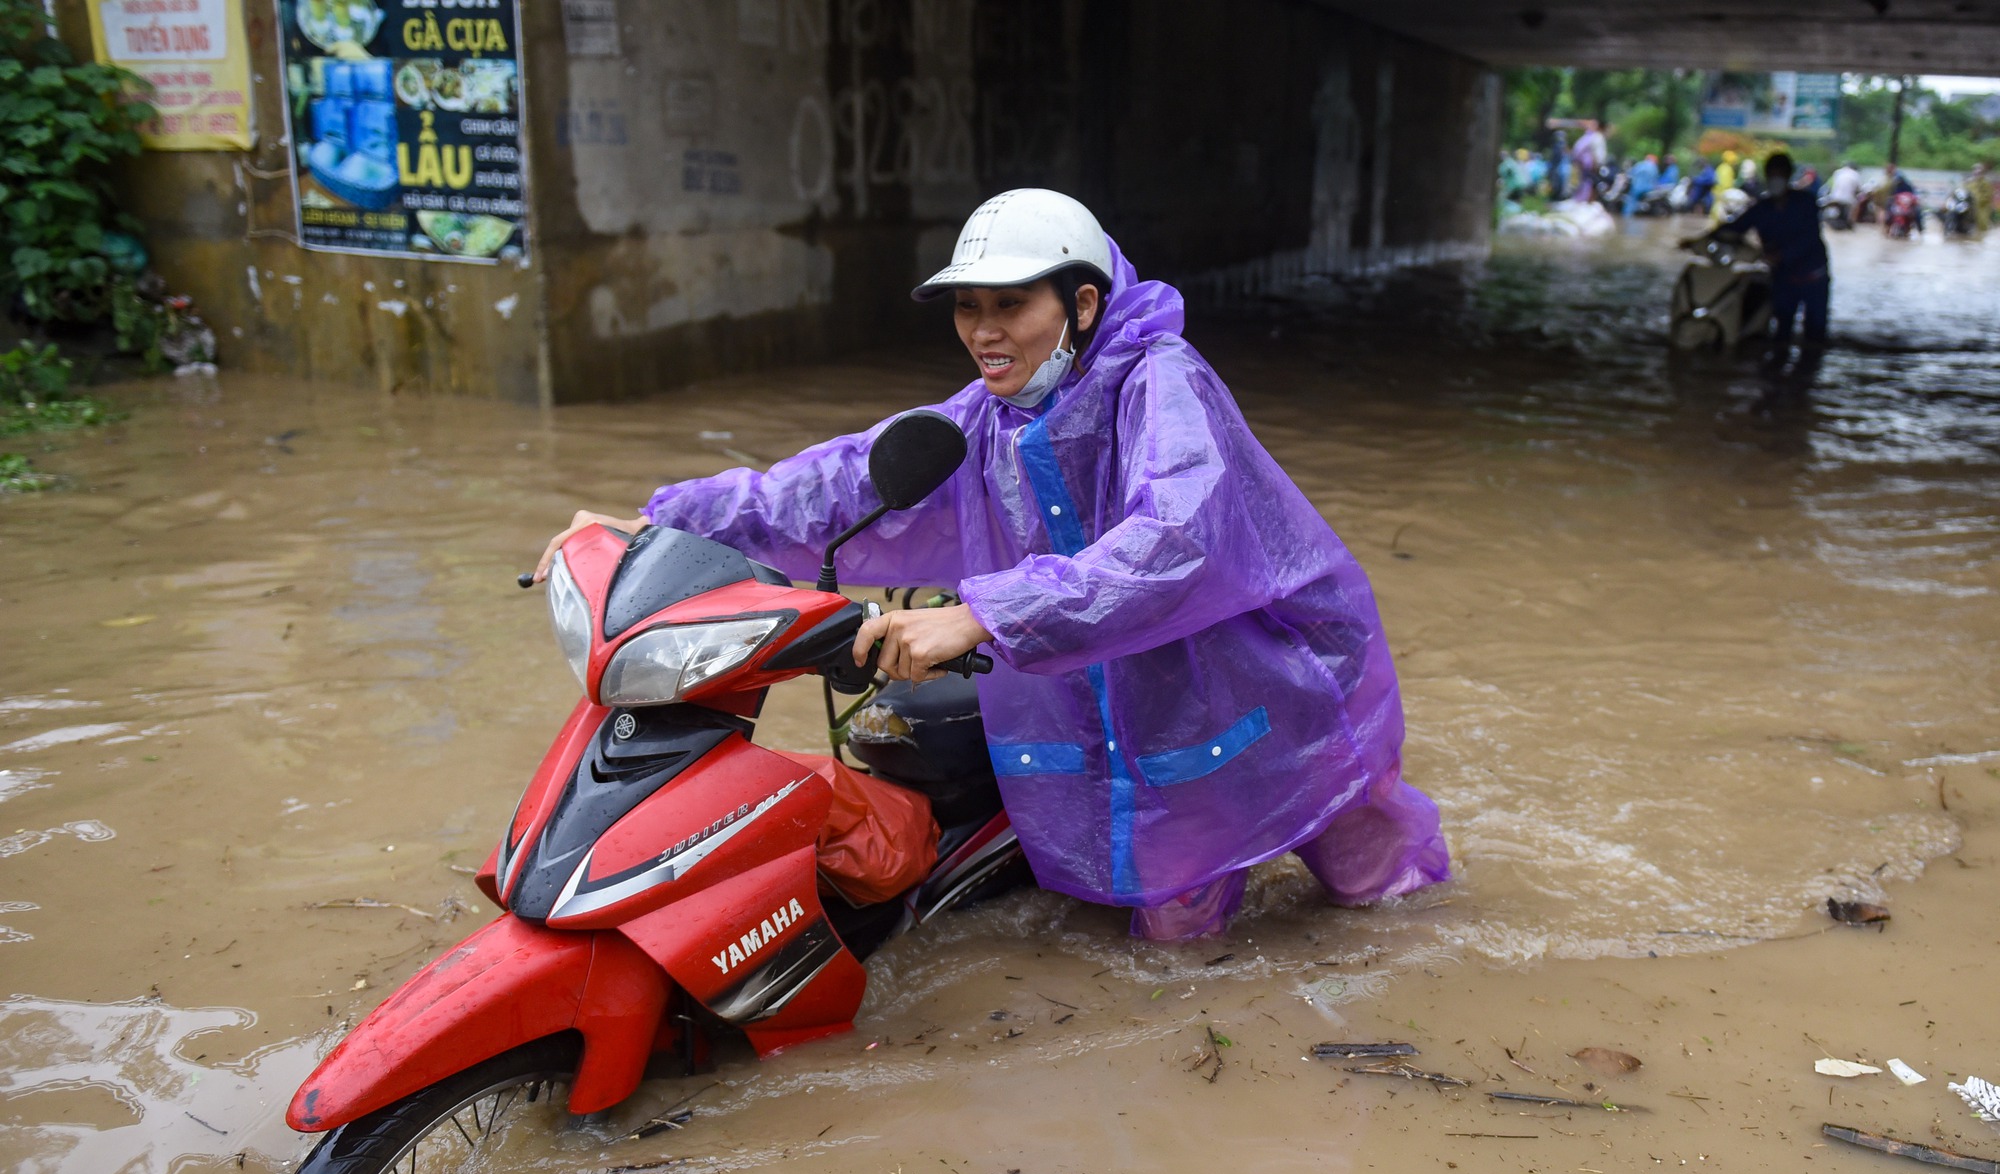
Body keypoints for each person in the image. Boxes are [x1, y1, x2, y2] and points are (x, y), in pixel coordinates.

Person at [534, 189, 1450, 940]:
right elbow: (837, 485)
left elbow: (1177, 539)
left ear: (1082, 304)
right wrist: (661, 521)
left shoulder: (1160, 382)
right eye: (969, 308)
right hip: (1157, 714)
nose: (984, 331)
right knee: (1174, 952)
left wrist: (984, 614)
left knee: (1386, 897)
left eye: (1010, 304)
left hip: (1278, 682)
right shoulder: (987, 417)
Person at [1712, 151, 1829, 348]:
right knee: (1781, 331)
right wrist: (1703, 239)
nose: (1776, 180)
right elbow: (1735, 227)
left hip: (1814, 279)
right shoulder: (1762, 209)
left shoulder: (1806, 203)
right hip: (1783, 279)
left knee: (1815, 335)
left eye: (1780, 175)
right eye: (1772, 175)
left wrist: (1781, 255)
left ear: (1788, 176)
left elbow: (1809, 238)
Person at [1571, 120, 1607, 202]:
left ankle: (1581, 200)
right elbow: (1598, 154)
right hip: (1590, 164)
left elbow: (1576, 151)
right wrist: (1597, 164)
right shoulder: (1596, 137)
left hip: (1583, 164)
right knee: (1590, 183)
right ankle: (1585, 201)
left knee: (1584, 183)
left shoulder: (1586, 137)